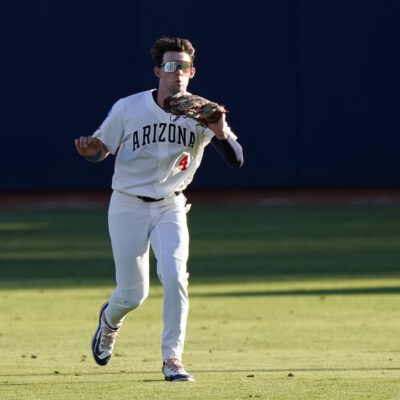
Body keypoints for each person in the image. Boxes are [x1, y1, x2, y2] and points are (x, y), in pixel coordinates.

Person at [74, 37, 243, 382]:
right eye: (170, 66)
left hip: (171, 205)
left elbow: (236, 160)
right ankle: (110, 321)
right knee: (133, 294)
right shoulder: (129, 107)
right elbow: (100, 151)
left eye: (183, 66)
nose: (177, 72)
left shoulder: (204, 111)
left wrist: (220, 131)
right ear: (157, 71)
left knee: (175, 275)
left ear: (192, 72)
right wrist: (89, 150)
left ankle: (173, 359)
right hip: (127, 204)